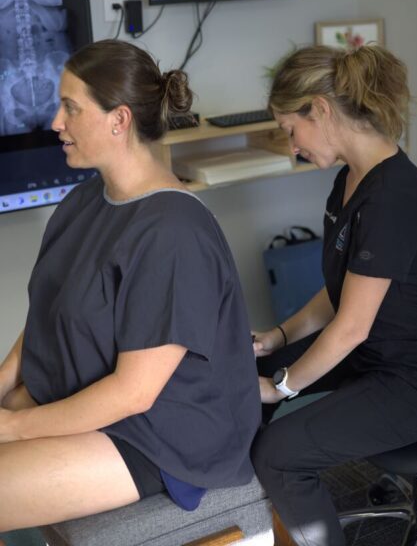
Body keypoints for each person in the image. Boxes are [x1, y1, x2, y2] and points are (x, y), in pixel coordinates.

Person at [0, 39, 261, 538]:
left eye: (71, 109)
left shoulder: (172, 233)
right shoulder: (84, 201)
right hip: (93, 393)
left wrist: (13, 426)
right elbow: (46, 314)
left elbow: (134, 393)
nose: (56, 122)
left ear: (119, 120)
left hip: (161, 433)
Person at [251, 44, 417, 546]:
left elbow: (351, 326)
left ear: (321, 110)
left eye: (291, 131)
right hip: (376, 353)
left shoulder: (394, 195)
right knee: (251, 376)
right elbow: (341, 295)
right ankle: (237, 518)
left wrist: (284, 387)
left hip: (413, 377)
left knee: (278, 452)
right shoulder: (349, 182)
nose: (292, 147)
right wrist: (278, 338)